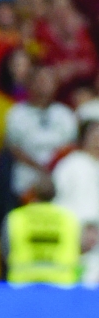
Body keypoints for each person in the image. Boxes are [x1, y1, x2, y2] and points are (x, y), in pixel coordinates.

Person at [4, 66, 78, 200]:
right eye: (40, 80)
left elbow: (70, 146)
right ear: (29, 84)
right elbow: (13, 148)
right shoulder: (16, 113)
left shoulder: (65, 114)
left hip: (59, 177)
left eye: (49, 80)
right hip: (26, 180)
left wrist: (52, 167)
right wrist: (41, 169)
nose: (45, 84)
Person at [3, 177, 81, 285]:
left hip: (23, 282)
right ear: (55, 194)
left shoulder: (16, 217)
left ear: (33, 193)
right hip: (61, 283)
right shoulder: (69, 218)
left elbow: (5, 249)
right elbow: (78, 247)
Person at [52, 121, 99, 283]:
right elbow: (59, 201)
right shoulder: (71, 164)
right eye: (94, 135)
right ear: (83, 138)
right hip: (73, 238)